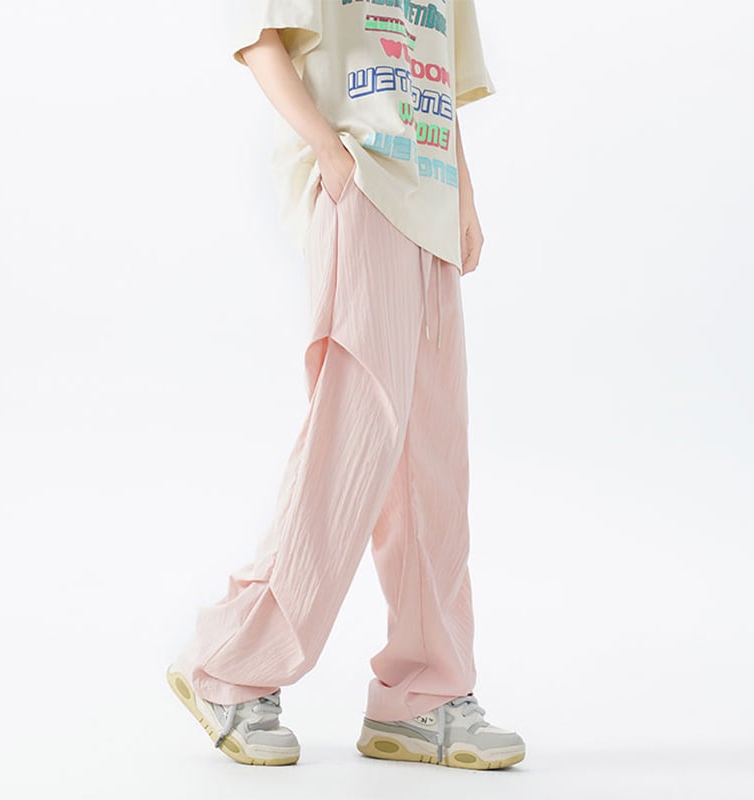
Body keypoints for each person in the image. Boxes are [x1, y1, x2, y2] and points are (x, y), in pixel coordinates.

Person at [166, 0, 526, 770]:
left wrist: (462, 192)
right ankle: (230, 663)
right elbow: (258, 36)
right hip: (361, 188)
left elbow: (440, 81)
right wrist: (327, 150)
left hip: (428, 200)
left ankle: (425, 693)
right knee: (353, 435)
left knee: (431, 459)